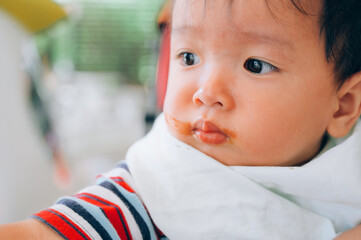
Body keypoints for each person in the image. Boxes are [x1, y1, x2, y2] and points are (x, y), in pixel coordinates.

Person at [1, 0, 361, 239]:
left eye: (256, 65)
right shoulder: (151, 190)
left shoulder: (344, 182)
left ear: (343, 106)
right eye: (188, 57)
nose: (205, 92)